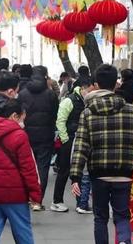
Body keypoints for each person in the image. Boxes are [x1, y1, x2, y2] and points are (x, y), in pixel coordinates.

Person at [70, 64, 133, 244]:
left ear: (96, 84)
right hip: (124, 172)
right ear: (116, 84)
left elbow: (81, 146)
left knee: (100, 217)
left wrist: (75, 175)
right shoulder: (131, 110)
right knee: (122, 215)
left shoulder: (88, 112)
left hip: (98, 174)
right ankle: (123, 241)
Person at [0, 98, 41, 244]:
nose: (23, 123)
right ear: (14, 116)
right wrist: (35, 194)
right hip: (14, 194)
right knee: (22, 231)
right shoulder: (20, 135)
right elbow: (28, 168)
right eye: (22, 118)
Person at [51, 77, 95, 213]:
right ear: (83, 88)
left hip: (81, 139)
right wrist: (65, 139)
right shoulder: (69, 100)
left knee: (80, 172)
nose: (91, 93)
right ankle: (57, 201)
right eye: (90, 90)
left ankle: (81, 202)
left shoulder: (86, 101)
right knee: (64, 171)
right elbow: (60, 120)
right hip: (69, 139)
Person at [18, 73, 58, 211]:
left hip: (26, 134)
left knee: (26, 166)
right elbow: (55, 114)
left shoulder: (22, 93)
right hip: (45, 135)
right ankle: (37, 200)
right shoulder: (50, 94)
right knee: (42, 167)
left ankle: (26, 197)